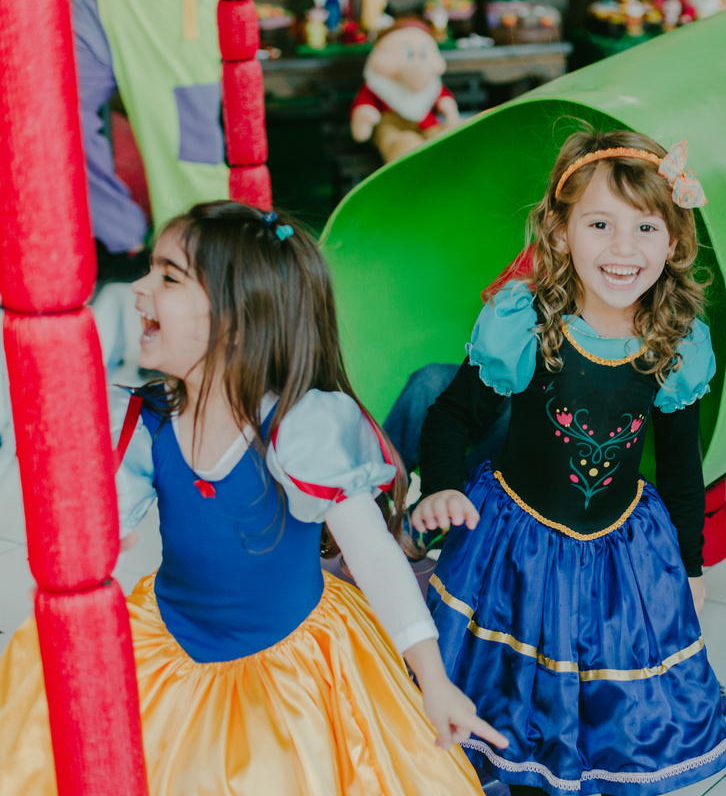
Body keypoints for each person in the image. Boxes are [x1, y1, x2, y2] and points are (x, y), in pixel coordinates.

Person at [0, 201, 505, 796]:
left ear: (235, 321)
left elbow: (373, 554)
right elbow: (99, 527)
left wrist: (432, 679)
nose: (137, 289)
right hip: (170, 642)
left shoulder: (300, 430)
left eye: (167, 276)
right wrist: (91, 547)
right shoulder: (144, 420)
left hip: (292, 666)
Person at [412, 128, 726, 796]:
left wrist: (692, 565)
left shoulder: (677, 343)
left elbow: (679, 466)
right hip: (513, 544)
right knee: (509, 673)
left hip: (620, 551)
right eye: (599, 224)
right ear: (559, 233)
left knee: (604, 674)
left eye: (646, 227)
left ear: (673, 242)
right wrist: (439, 485)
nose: (623, 248)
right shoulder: (523, 322)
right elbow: (452, 415)